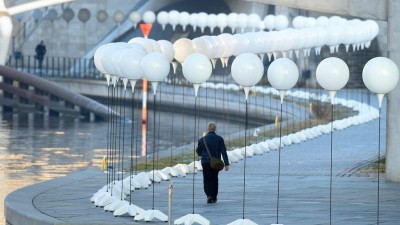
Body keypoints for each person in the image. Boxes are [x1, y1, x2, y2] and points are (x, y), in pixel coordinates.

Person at [196, 122, 229, 204]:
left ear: (208, 129)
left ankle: (209, 195)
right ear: (215, 129)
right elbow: (223, 152)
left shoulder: (202, 139)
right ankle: (214, 196)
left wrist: (199, 151)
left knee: (206, 179)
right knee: (214, 178)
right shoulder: (219, 139)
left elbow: (199, 152)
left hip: (205, 162)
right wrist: (226, 164)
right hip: (215, 162)